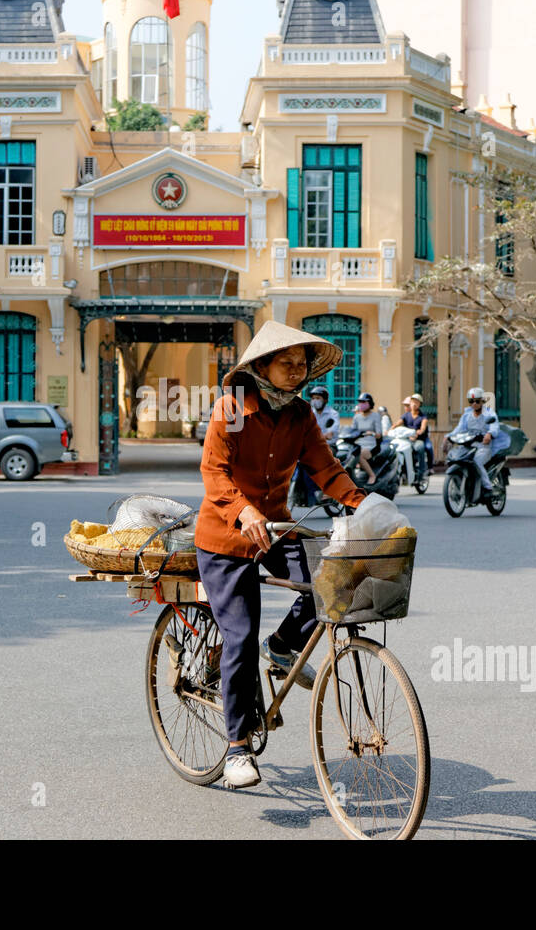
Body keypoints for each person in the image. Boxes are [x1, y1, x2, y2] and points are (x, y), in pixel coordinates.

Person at [197, 321, 368, 789]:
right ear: (261, 367)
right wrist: (243, 510)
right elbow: (214, 472)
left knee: (333, 578)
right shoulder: (231, 408)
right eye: (286, 363)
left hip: (275, 527)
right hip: (226, 537)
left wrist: (364, 503)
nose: (295, 372)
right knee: (240, 636)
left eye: (301, 365)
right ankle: (236, 748)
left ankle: (284, 645)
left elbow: (325, 469)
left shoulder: (299, 416)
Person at [448, 386, 510, 501]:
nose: (474, 404)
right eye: (471, 401)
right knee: (459, 459)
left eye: (477, 401)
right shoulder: (466, 415)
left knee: (476, 461)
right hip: (469, 445)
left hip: (484, 447)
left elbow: (494, 426)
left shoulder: (488, 413)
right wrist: (448, 437)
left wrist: (489, 434)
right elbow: (459, 429)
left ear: (482, 401)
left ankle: (487, 487)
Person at [351, 392, 383, 483]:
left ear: (370, 403)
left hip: (371, 444)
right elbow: (352, 431)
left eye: (364, 402)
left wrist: (371, 433)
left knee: (359, 455)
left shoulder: (375, 416)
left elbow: (379, 434)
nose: (361, 404)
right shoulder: (356, 417)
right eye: (360, 402)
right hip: (358, 443)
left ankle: (372, 475)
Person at [400, 394, 433, 478]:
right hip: (408, 440)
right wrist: (389, 430)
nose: (414, 404)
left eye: (416, 402)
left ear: (420, 404)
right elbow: (397, 423)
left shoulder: (423, 416)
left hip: (420, 439)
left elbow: (423, 427)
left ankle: (425, 470)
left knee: (425, 447)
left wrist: (419, 432)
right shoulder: (406, 415)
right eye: (412, 402)